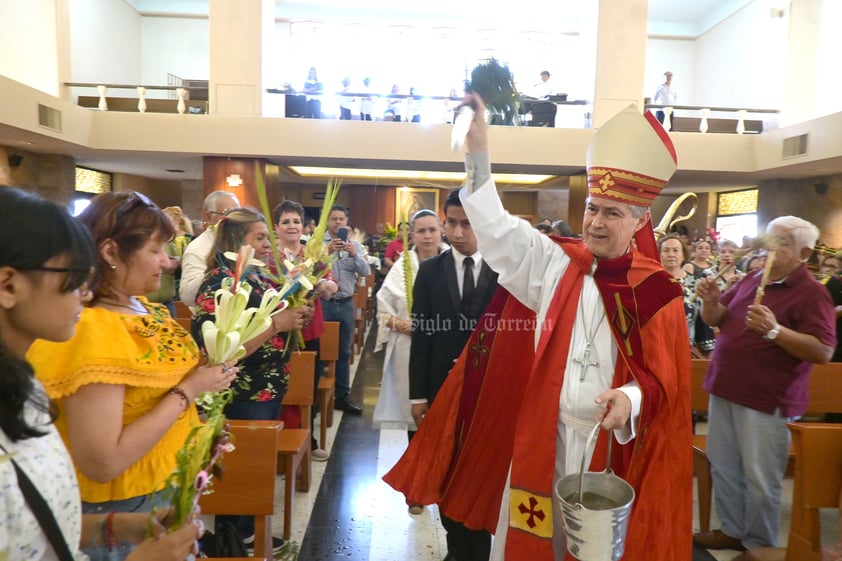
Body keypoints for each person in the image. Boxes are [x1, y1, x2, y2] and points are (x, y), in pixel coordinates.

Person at [386, 101, 692, 561]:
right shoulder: (556, 262)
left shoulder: (656, 291)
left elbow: (667, 382)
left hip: (608, 446)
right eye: (592, 208)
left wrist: (629, 398)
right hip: (543, 436)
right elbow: (498, 231)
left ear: (640, 220)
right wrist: (478, 157)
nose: (595, 222)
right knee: (534, 541)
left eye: (612, 213)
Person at [27, 191, 236, 560]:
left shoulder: (145, 310)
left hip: (165, 491)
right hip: (126, 504)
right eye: (155, 250)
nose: (167, 262)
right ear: (110, 253)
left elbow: (153, 394)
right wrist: (189, 391)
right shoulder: (93, 329)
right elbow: (103, 461)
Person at [693, 216, 835, 557]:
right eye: (770, 239)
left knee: (760, 478)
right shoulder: (754, 278)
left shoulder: (812, 293)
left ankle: (759, 546)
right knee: (724, 465)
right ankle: (732, 529)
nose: (772, 247)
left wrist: (775, 331)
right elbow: (717, 320)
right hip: (726, 388)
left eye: (782, 242)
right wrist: (711, 301)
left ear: (804, 253)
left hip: (765, 399)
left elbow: (823, 350)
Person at [192, 207, 309, 550]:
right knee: (239, 467)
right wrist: (277, 325)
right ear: (233, 241)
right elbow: (220, 353)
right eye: (258, 237)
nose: (265, 244)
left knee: (250, 465)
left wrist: (294, 313)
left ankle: (243, 530)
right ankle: (233, 538)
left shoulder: (252, 275)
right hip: (241, 391)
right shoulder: (219, 283)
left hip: (266, 386)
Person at [408, 188, 499, 561]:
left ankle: (475, 550)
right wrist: (418, 395)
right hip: (441, 388)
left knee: (479, 472)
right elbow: (422, 335)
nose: (458, 233)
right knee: (446, 470)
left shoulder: (504, 270)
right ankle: (455, 545)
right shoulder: (431, 272)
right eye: (452, 223)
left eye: (468, 224)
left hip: (489, 392)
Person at [374, 209, 446, 515]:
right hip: (410, 350)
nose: (427, 236)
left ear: (441, 231)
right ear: (412, 235)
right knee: (417, 415)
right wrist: (411, 326)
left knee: (446, 418)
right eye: (421, 231)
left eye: (432, 230)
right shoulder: (403, 266)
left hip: (445, 350)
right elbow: (382, 312)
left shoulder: (454, 263)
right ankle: (416, 488)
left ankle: (443, 482)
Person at [272, 200, 338, 461]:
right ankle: (274, 439)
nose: (292, 226)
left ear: (303, 226)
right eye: (286, 222)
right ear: (276, 227)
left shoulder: (313, 253)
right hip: (276, 331)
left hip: (309, 329)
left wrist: (326, 286)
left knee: (305, 388)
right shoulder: (269, 256)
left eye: (296, 221)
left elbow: (331, 281)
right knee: (280, 386)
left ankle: (306, 440)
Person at [322, 204, 370, 415]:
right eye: (334, 219)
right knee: (320, 352)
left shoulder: (355, 246)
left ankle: (342, 396)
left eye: (341, 219)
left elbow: (365, 271)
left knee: (344, 351)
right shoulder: (317, 244)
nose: (337, 222)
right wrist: (327, 252)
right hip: (323, 304)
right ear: (328, 222)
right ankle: (317, 398)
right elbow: (309, 267)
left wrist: (353, 254)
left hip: (346, 303)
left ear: (347, 223)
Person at [179, 191, 240, 308]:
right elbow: (187, 295)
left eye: (238, 213)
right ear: (209, 217)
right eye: (228, 213)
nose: (235, 220)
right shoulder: (197, 248)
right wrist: (217, 272)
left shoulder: (240, 242)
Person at [659, 233, 703, 358]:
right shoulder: (649, 283)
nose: (671, 254)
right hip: (656, 350)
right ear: (659, 255)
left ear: (683, 254)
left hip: (687, 351)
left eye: (675, 250)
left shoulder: (696, 283)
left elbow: (703, 319)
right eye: (666, 250)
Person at [146, 206, 193, 317]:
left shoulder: (170, 242)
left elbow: (174, 263)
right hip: (147, 304)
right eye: (155, 252)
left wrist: (176, 263)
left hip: (166, 302)